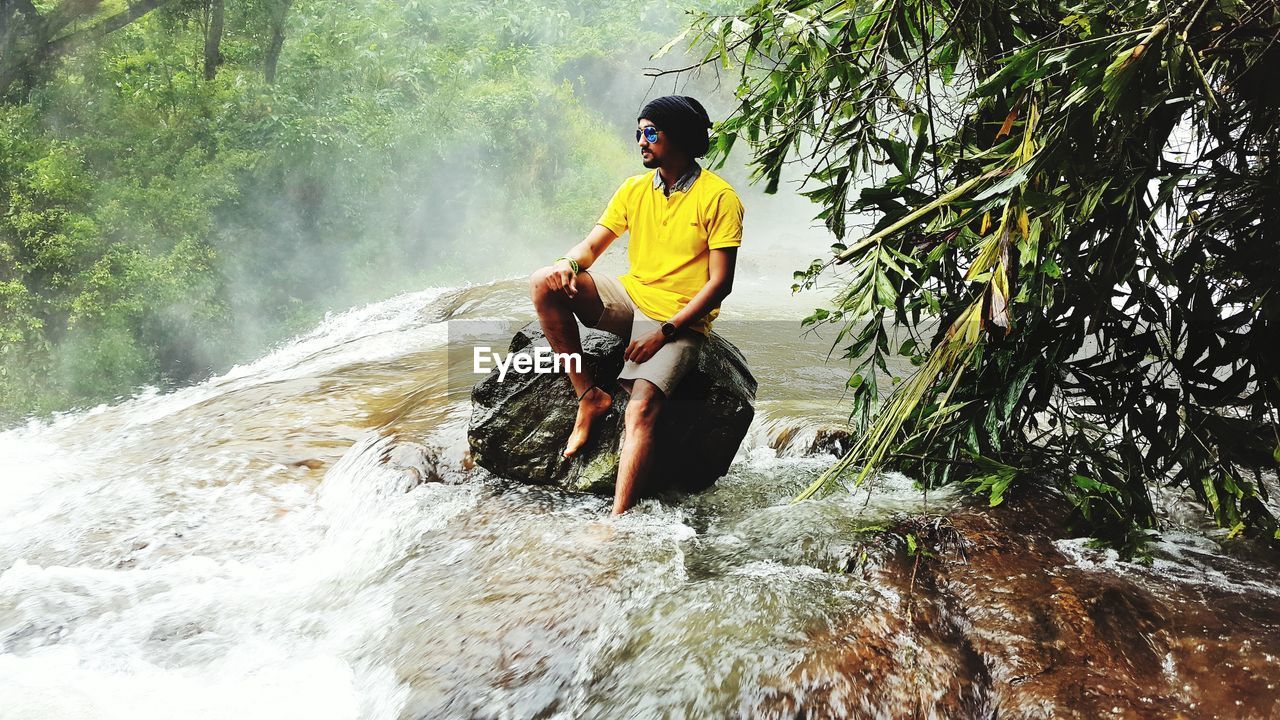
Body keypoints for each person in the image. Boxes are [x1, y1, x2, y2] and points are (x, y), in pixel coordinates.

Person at [529, 95, 745, 516]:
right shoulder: (633, 189)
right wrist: (567, 265)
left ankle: (616, 519)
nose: (641, 142)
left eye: (651, 134)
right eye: (638, 134)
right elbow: (592, 246)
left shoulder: (719, 198)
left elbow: (720, 285)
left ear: (679, 138)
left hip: (678, 317)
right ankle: (589, 397)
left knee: (642, 404)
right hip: (630, 295)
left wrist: (662, 334)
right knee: (543, 282)